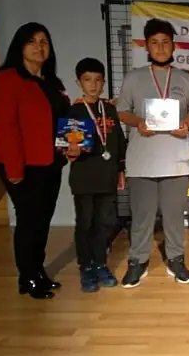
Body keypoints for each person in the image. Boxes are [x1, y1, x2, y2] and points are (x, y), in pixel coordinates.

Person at [116, 18, 189, 288]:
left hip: (176, 160)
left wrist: (187, 124)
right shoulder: (134, 78)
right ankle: (137, 261)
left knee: (174, 216)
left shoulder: (186, 79)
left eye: (165, 42)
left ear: (174, 46)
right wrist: (138, 122)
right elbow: (122, 111)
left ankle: (176, 258)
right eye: (154, 43)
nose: (160, 47)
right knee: (142, 216)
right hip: (142, 160)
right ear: (147, 47)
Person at [0, 22, 71, 299]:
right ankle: (28, 276)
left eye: (44, 42)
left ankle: (36, 272)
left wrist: (71, 146)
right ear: (20, 46)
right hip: (23, 165)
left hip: (51, 163)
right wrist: (14, 168)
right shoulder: (7, 79)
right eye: (32, 41)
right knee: (29, 222)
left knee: (43, 220)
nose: (39, 47)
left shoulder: (52, 83)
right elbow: (6, 127)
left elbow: (63, 124)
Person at [63, 58, 126, 293]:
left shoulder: (109, 109)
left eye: (98, 80)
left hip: (107, 177)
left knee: (105, 224)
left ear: (104, 82)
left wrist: (120, 170)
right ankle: (86, 266)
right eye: (87, 80)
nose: (93, 85)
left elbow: (119, 141)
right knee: (85, 224)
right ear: (79, 82)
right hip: (83, 178)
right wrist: (68, 150)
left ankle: (100, 263)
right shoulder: (73, 111)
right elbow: (64, 144)